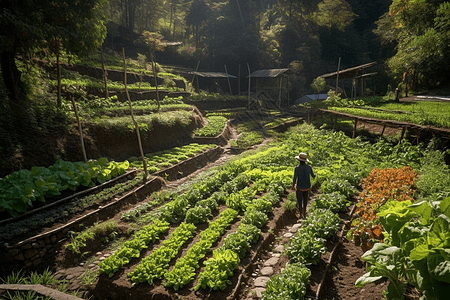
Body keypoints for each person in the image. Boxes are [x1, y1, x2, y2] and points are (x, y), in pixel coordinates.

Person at [292, 152, 315, 218]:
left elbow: (295, 178)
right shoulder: (309, 168)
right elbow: (313, 175)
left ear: (299, 160)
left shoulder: (297, 168)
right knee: (305, 199)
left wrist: (293, 185)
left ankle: (300, 213)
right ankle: (304, 211)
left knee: (299, 200)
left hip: (300, 186)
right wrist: (314, 176)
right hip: (307, 186)